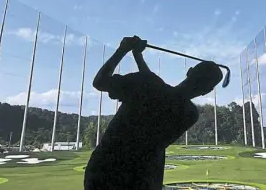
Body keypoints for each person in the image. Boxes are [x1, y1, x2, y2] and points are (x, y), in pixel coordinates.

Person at [85, 36, 223, 190]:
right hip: (144, 179)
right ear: (207, 91)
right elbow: (160, 90)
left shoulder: (146, 83)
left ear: (189, 71)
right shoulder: (190, 114)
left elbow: (100, 81)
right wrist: (138, 57)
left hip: (104, 170)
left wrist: (123, 49)